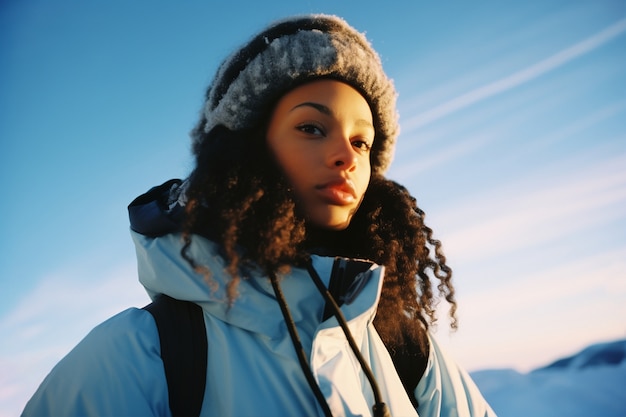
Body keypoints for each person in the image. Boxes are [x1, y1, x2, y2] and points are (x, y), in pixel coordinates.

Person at [22, 14, 496, 417]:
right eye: (312, 127)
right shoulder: (140, 355)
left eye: (361, 142)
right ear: (248, 150)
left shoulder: (405, 348)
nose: (346, 158)